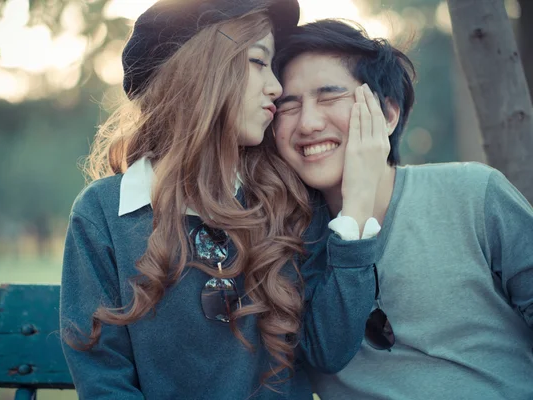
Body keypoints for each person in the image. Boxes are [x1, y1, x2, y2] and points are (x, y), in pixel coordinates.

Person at [59, 2, 379, 399]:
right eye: (259, 62)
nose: (277, 89)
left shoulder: (289, 200)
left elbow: (328, 351)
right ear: (200, 70)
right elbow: (103, 378)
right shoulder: (104, 213)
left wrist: (357, 211)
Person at [273, 18, 533, 400]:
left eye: (329, 98)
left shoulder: (474, 194)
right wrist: (356, 211)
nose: (308, 122)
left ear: (389, 114)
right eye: (288, 106)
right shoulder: (281, 243)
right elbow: (324, 352)